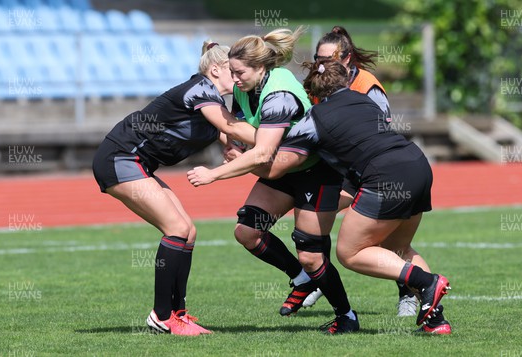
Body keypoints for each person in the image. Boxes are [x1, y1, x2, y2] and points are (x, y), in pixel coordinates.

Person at [258, 61, 452, 334]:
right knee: (400, 250)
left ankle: (427, 281)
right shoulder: (365, 101)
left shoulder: (314, 117)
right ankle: (436, 319)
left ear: (314, 91)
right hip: (417, 163)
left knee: (349, 252)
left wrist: (241, 161)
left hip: (385, 175)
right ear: (346, 81)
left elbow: (276, 165)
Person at [187, 27, 359, 334]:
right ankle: (302, 279)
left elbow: (264, 153)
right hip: (280, 168)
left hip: (314, 171)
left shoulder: (280, 92)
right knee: (247, 232)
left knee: (311, 254)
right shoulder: (244, 85)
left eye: (239, 73)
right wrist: (232, 145)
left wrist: (213, 174)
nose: (234, 79)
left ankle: (346, 315)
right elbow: (239, 126)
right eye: (232, 72)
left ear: (260, 67)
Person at [92, 41, 257, 336]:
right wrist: (281, 137)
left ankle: (178, 315)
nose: (238, 76)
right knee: (176, 228)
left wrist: (235, 148)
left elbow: (225, 132)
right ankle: (162, 316)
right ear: (215, 70)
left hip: (137, 162)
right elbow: (231, 127)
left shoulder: (213, 100)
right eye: (232, 71)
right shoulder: (201, 89)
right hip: (120, 157)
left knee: (188, 231)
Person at [303, 26, 417, 318]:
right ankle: (318, 274)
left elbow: (378, 132)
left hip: (368, 166)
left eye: (328, 58)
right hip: (337, 163)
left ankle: (409, 293)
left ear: (347, 58)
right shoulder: (319, 80)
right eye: (318, 58)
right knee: (317, 215)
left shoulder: (367, 85)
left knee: (389, 241)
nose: (322, 64)